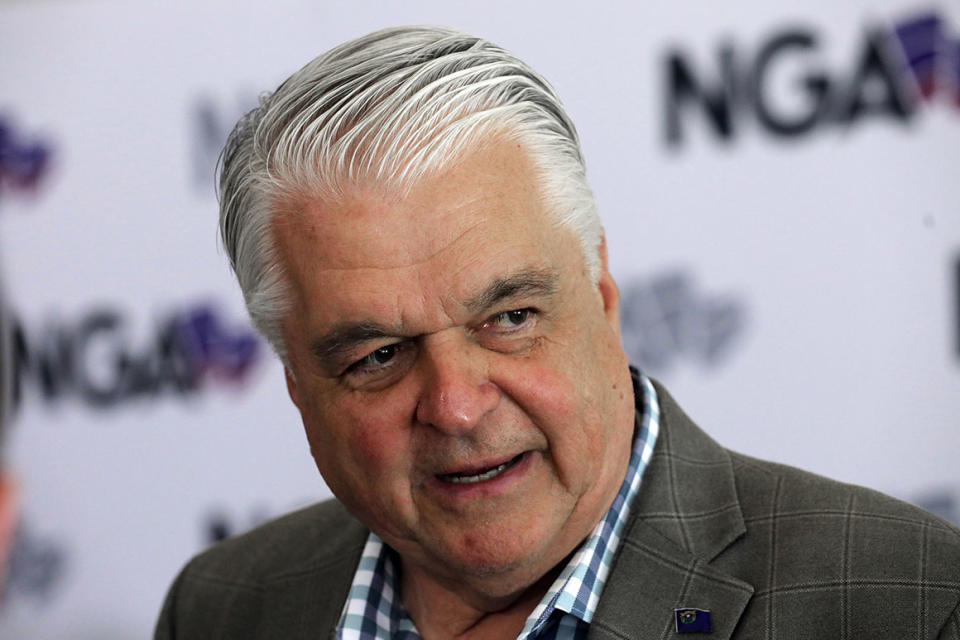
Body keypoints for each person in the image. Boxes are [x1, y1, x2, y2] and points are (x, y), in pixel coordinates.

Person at [156, 26, 960, 639]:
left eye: (508, 319)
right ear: (295, 379)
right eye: (379, 356)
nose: (458, 407)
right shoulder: (225, 607)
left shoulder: (909, 599)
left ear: (601, 290)